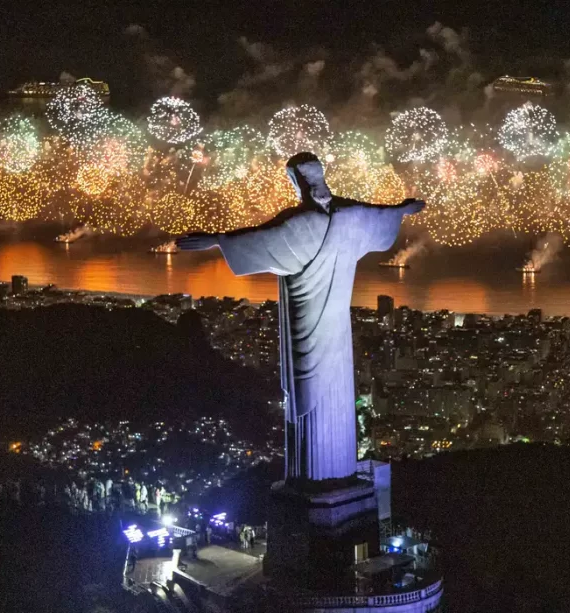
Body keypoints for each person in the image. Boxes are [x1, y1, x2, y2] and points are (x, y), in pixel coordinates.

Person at [178, 152, 424, 481]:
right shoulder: (351, 215)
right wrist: (402, 210)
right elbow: (379, 215)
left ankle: (314, 479)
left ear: (297, 181)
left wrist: (216, 241)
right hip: (338, 329)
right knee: (335, 391)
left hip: (305, 320)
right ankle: (337, 473)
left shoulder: (300, 223)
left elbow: (259, 239)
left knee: (307, 394)